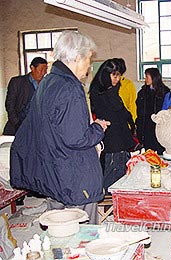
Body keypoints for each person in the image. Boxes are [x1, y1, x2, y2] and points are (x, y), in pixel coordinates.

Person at [10, 30, 110, 224]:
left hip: (54, 172)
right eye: (88, 59)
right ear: (77, 57)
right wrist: (98, 128)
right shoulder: (70, 87)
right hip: (73, 175)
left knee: (60, 230)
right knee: (83, 234)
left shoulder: (47, 82)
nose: (89, 65)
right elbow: (77, 138)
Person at [89, 59, 135, 193]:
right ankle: (108, 199)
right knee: (112, 170)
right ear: (106, 74)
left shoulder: (111, 89)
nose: (117, 79)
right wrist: (113, 91)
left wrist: (131, 122)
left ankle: (118, 199)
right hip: (111, 138)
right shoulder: (99, 90)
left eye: (119, 75)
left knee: (122, 169)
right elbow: (114, 109)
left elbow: (122, 111)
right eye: (114, 75)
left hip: (120, 136)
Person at [3, 57, 48, 135]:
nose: (43, 72)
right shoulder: (17, 82)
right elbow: (10, 104)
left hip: (37, 127)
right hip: (17, 126)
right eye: (41, 69)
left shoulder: (46, 85)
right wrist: (16, 123)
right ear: (32, 68)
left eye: (45, 70)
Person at [136, 68, 169, 154]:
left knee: (161, 152)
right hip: (146, 127)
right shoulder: (142, 92)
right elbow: (139, 111)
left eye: (147, 77)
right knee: (149, 154)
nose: (145, 79)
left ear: (154, 77)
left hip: (159, 126)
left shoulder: (164, 92)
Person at [113, 58, 137, 122]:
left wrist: (133, 121)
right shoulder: (107, 84)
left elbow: (132, 104)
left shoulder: (128, 84)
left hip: (125, 120)